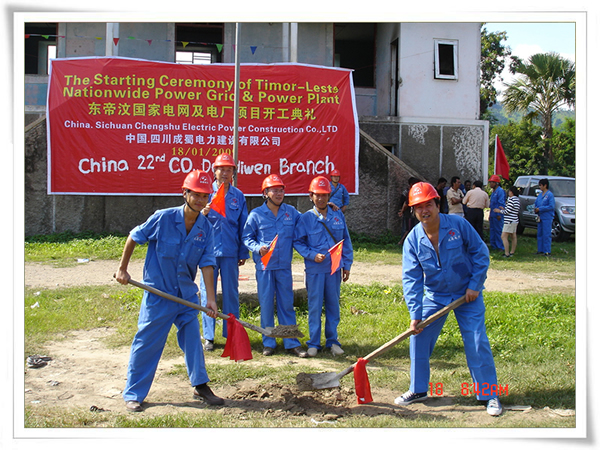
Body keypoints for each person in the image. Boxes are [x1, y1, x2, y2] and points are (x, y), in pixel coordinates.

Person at [115, 170, 224, 412]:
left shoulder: (206, 228)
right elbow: (134, 237)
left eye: (205, 196)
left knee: (193, 340)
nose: (200, 200)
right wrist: (123, 269)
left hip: (185, 296)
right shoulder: (162, 218)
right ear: (184, 193)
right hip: (159, 295)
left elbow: (207, 264)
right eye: (195, 194)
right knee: (147, 342)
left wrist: (211, 299)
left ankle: (200, 385)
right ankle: (134, 393)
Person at [395, 182, 502, 416]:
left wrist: (474, 285)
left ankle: (488, 393)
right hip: (436, 296)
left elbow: (480, 254)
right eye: (419, 207)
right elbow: (411, 278)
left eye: (428, 205)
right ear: (413, 211)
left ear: (437, 204)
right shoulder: (413, 240)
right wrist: (415, 315)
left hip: (467, 295)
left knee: (476, 340)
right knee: (419, 339)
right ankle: (418, 389)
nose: (425, 211)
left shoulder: (458, 225)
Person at [242, 174, 308, 358]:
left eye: (281, 190)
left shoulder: (291, 212)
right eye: (274, 190)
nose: (279, 193)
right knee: (266, 305)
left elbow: (307, 221)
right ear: (265, 193)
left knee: (286, 305)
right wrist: (257, 248)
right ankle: (269, 342)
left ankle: (291, 343)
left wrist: (329, 208)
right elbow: (247, 237)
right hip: (264, 268)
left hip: (283, 267)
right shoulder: (255, 214)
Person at [294, 176, 354, 357]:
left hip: (334, 269)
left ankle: (332, 341)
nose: (321, 199)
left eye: (324, 195)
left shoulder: (338, 215)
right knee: (314, 306)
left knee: (333, 306)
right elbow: (298, 241)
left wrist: (347, 264)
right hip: (315, 270)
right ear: (311, 196)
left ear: (329, 196)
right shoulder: (306, 218)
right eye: (317, 195)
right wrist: (312, 255)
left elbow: (346, 240)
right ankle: (313, 343)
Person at [199, 153, 249, 351]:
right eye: (222, 169)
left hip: (230, 251)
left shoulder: (238, 196)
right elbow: (192, 219)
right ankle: (209, 337)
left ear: (233, 173)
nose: (225, 173)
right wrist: (202, 213)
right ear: (214, 171)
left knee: (231, 294)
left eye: (229, 170)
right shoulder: (204, 193)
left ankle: (230, 334)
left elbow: (243, 226)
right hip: (208, 252)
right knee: (207, 292)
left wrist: (243, 252)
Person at [534, 178, 555, 255]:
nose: (540, 187)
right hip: (540, 216)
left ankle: (547, 251)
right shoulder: (540, 195)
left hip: (547, 217)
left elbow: (551, 206)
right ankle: (540, 249)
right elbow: (536, 203)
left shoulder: (549, 195)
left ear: (545, 185)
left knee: (546, 234)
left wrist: (540, 208)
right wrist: (535, 208)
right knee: (540, 233)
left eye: (541, 185)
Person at [398, 177, 420, 245]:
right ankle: (401, 242)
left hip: (412, 214)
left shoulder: (412, 192)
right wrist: (402, 211)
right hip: (409, 214)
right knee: (408, 229)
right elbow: (406, 203)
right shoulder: (410, 192)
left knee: (410, 228)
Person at [500, 186, 520, 257]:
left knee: (504, 236)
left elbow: (507, 211)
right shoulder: (517, 200)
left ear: (511, 192)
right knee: (513, 236)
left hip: (509, 221)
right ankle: (512, 251)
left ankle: (506, 253)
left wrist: (500, 211)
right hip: (515, 220)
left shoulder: (511, 199)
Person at [488, 175, 506, 251]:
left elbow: (501, 203)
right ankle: (494, 245)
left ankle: (500, 247)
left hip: (497, 215)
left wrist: (499, 214)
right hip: (492, 214)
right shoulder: (493, 192)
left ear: (496, 183)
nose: (490, 184)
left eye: (492, 182)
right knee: (492, 230)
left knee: (498, 231)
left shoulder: (500, 191)